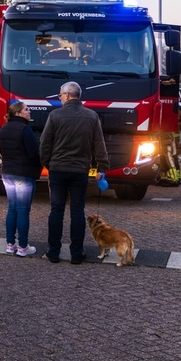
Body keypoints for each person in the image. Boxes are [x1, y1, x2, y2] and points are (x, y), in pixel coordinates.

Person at [39, 82, 110, 264]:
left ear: (68, 95)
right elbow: (98, 144)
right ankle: (76, 253)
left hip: (58, 169)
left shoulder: (55, 115)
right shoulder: (91, 116)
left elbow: (45, 143)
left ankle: (53, 252)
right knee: (77, 210)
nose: (60, 97)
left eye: (61, 95)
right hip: (80, 170)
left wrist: (47, 163)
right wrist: (102, 166)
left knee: (56, 210)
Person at [0, 101, 42, 257]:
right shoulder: (25, 130)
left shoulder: (3, 128)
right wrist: (38, 167)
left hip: (7, 173)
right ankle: (23, 247)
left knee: (12, 208)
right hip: (23, 174)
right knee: (23, 210)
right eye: (26, 110)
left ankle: (10, 244)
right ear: (18, 113)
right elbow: (33, 154)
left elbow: (1, 151)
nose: (29, 112)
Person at [158, 103, 181, 186]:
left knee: (167, 156)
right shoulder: (178, 108)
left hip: (168, 137)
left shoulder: (177, 109)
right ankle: (171, 176)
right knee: (171, 156)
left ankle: (172, 178)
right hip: (171, 137)